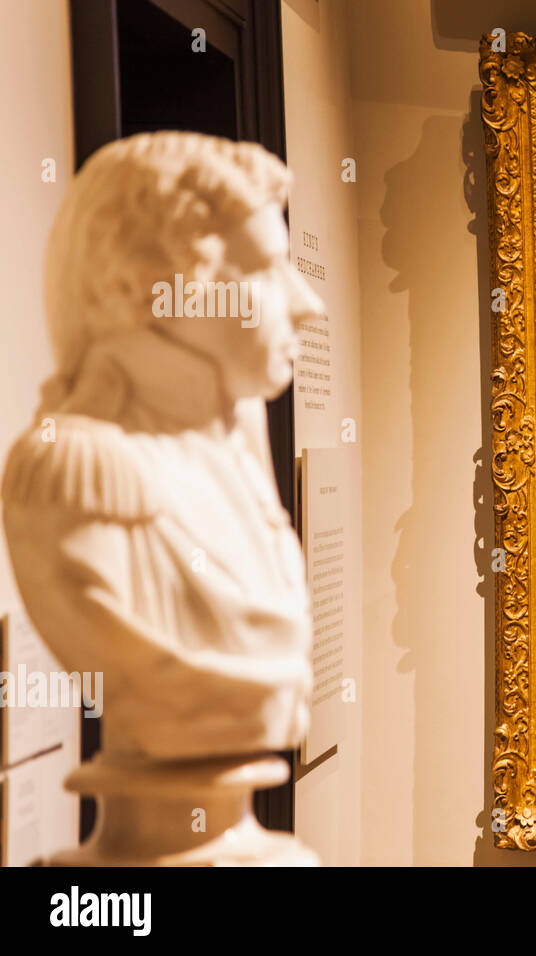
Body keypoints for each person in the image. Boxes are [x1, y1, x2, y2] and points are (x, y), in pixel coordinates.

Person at [2, 131, 323, 760]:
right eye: (263, 266)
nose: (306, 304)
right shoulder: (73, 469)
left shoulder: (236, 442)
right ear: (161, 284)